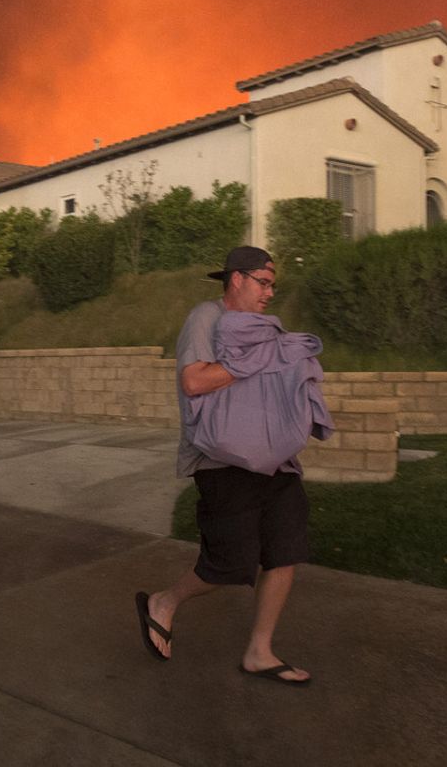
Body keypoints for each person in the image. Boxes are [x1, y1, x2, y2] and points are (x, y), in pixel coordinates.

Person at [135, 246, 314, 686]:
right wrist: (254, 360)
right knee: (230, 562)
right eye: (264, 282)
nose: (270, 292)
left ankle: (259, 651)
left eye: (273, 284)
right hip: (220, 461)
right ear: (237, 279)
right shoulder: (206, 317)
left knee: (285, 551)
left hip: (274, 461)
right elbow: (194, 381)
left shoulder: (266, 329)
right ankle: (163, 602)